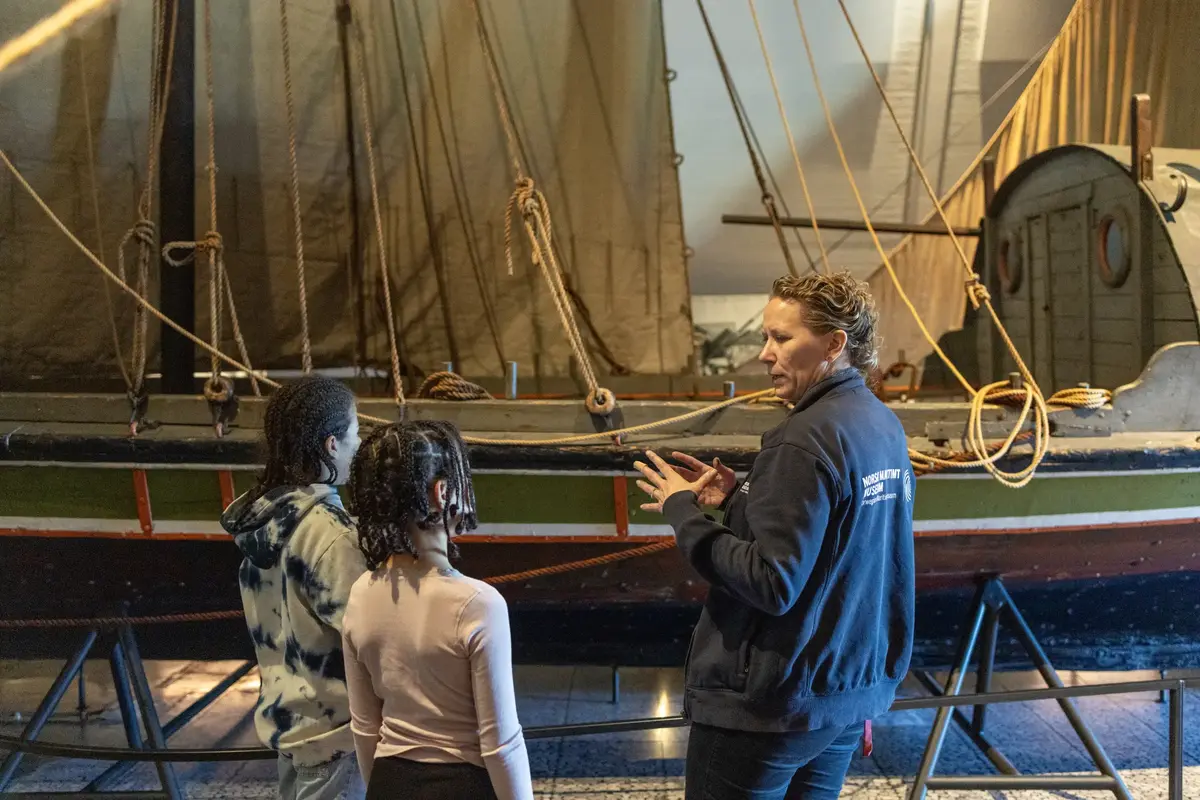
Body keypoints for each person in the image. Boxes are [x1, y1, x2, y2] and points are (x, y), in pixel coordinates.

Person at [634, 271, 916, 799]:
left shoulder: (803, 439)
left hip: (769, 711)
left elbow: (772, 582)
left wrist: (682, 512)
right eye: (766, 336)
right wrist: (742, 498)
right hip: (840, 701)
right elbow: (844, 542)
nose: (766, 354)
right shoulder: (880, 424)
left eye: (782, 338)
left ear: (834, 344)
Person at [341, 420, 534, 800]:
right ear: (442, 491)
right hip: (462, 786)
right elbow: (501, 743)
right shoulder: (479, 603)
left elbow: (364, 726)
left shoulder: (361, 592)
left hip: (388, 782)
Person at [221, 375, 366, 800]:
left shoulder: (262, 521)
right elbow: (362, 637)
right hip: (337, 736)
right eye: (355, 433)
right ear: (331, 445)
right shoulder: (331, 534)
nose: (360, 445)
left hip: (290, 729)